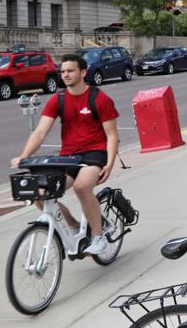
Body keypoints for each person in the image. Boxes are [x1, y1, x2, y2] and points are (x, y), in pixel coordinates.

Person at [11, 52, 119, 255]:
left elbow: (112, 135)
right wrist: (24, 155)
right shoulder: (58, 99)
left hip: (94, 153)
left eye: (70, 71)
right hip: (68, 156)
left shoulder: (99, 98)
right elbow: (41, 132)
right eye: (63, 71)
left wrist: (110, 163)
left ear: (83, 72)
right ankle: (74, 225)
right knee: (39, 193)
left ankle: (98, 236)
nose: (66, 75)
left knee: (81, 187)